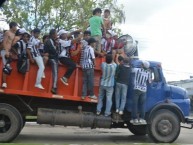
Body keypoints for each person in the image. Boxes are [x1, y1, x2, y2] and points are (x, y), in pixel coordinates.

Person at [130, 60, 151, 125]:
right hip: (144, 90)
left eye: (142, 64)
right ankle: (142, 119)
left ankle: (135, 119)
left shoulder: (137, 70)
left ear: (142, 65)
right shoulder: (148, 73)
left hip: (136, 89)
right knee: (142, 105)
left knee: (135, 104)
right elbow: (150, 81)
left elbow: (131, 70)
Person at [1, 22, 18, 88]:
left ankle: (4, 82)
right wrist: (6, 51)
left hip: (9, 52)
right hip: (5, 51)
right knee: (6, 67)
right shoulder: (7, 33)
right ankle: (4, 83)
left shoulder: (13, 34)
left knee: (8, 67)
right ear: (13, 26)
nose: (16, 28)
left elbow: (11, 44)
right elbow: (4, 42)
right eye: (16, 26)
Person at [44, 29, 59, 94]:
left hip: (51, 57)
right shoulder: (49, 41)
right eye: (56, 33)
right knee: (55, 71)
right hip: (51, 58)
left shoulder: (52, 41)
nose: (57, 35)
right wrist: (56, 47)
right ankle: (54, 87)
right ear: (53, 34)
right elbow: (53, 50)